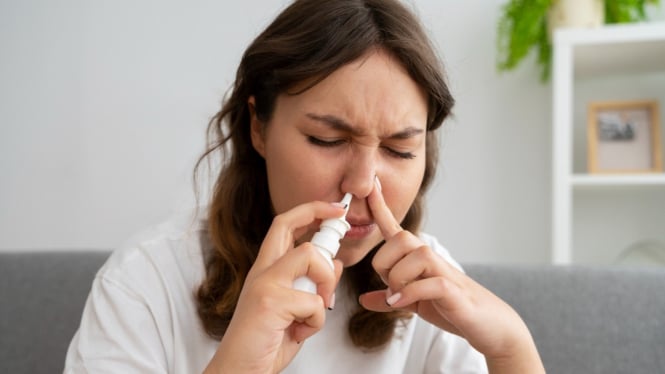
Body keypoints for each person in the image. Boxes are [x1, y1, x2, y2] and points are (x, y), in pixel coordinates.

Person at [65, 0, 545, 373]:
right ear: (258, 127)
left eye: (399, 150)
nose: (362, 183)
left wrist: (511, 348)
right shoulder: (146, 284)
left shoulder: (435, 292)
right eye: (327, 139)